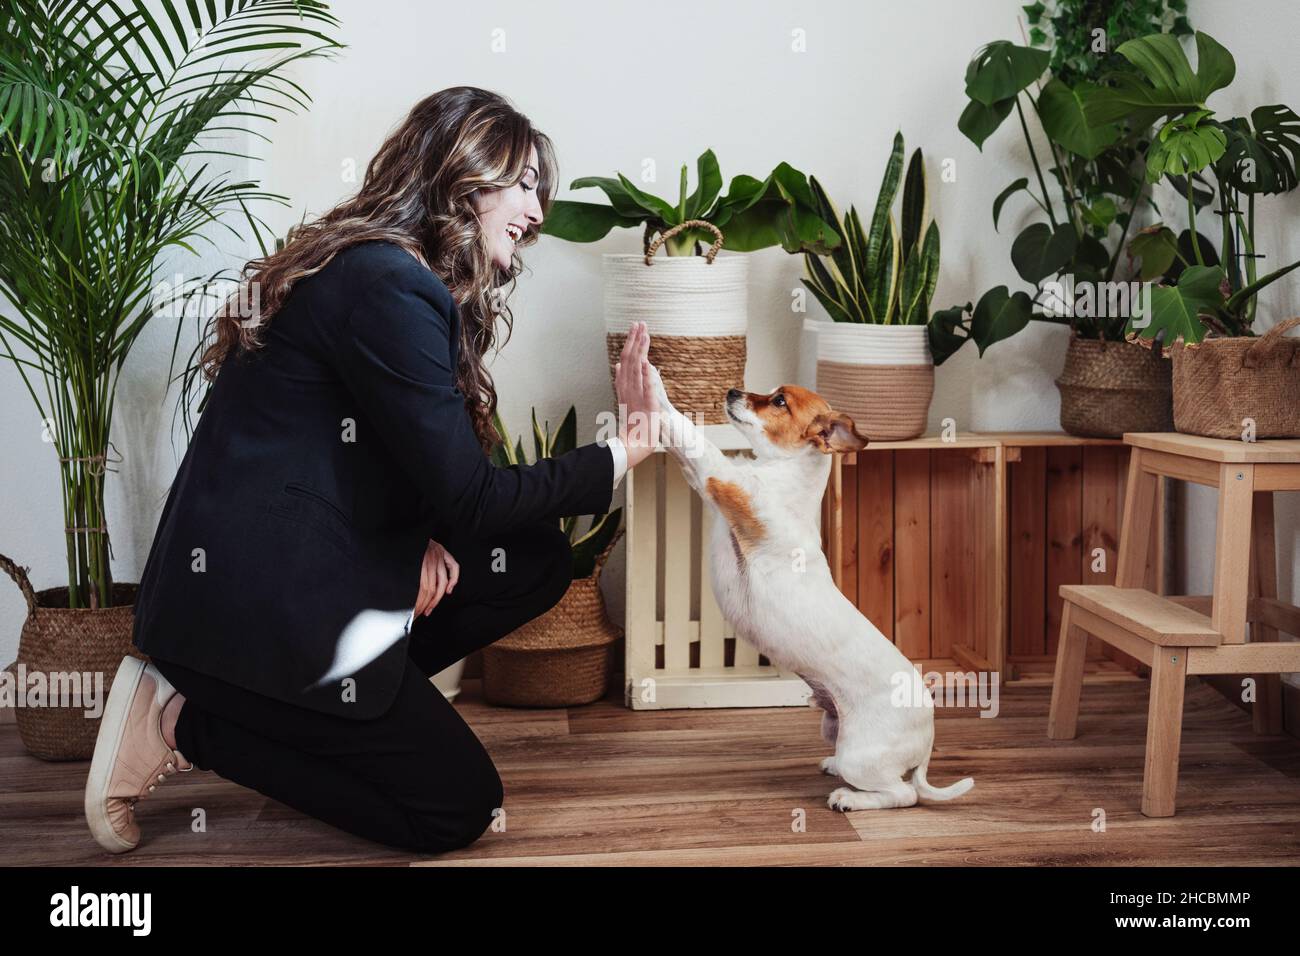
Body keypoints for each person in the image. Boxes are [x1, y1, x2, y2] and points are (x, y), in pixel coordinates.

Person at [83, 86, 661, 855]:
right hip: (250, 613)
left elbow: (403, 462)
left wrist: (415, 539)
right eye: (523, 182)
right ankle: (183, 719)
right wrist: (628, 448)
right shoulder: (388, 284)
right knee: (459, 809)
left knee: (533, 561)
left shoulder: (388, 276)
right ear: (466, 173)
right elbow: (474, 495)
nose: (539, 208)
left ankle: (341, 714)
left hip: (302, 572)